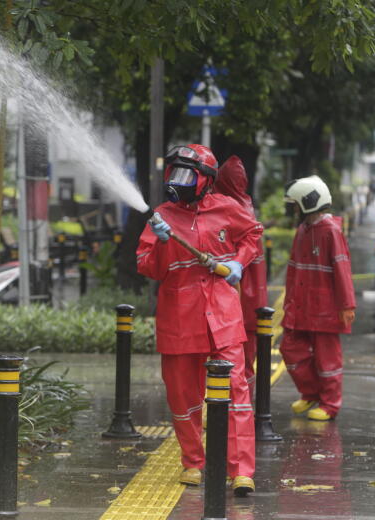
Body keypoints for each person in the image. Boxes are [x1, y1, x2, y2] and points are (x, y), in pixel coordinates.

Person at [136, 144, 261, 496]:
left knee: (236, 391)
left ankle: (241, 470)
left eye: (186, 175)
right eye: (174, 173)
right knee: (182, 394)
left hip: (222, 314)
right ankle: (192, 461)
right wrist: (161, 243)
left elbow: (253, 234)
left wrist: (239, 262)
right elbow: (147, 266)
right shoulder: (161, 217)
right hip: (179, 316)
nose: (178, 182)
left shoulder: (227, 208)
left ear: (206, 180)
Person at [280, 175, 355, 421]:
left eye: (296, 205)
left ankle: (330, 404)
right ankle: (311, 393)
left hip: (325, 308)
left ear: (308, 202)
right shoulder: (303, 230)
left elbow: (342, 269)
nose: (294, 210)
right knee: (290, 348)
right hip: (301, 306)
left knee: (327, 358)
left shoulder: (331, 231)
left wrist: (347, 305)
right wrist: (288, 303)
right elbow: (293, 269)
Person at [213, 155, 268, 392]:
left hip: (238, 302)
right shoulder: (246, 208)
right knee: (244, 362)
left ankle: (235, 407)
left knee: (236, 364)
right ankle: (240, 406)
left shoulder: (229, 212)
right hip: (251, 302)